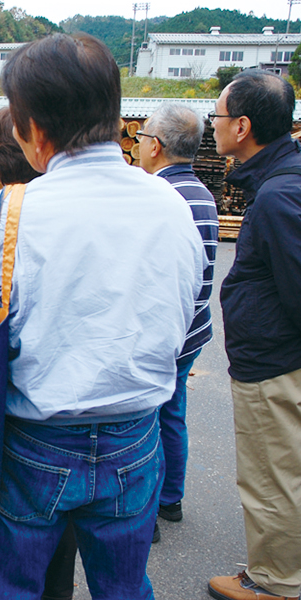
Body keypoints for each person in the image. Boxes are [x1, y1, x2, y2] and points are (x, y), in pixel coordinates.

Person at [0, 34, 205, 599]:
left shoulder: (9, 214)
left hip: (34, 443)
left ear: (35, 129)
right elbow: (185, 309)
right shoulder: (171, 204)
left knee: (12, 587)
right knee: (125, 588)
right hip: (136, 437)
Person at [207, 70, 301, 600]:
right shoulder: (282, 180)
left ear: (242, 126)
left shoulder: (278, 196)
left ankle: (275, 583)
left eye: (218, 116)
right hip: (277, 357)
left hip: (275, 364)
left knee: (272, 475)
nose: (213, 126)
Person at [0, 107, 76, 600]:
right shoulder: (108, 206)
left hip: (32, 417)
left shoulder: (0, 219)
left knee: (15, 561)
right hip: (118, 419)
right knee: (74, 554)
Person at [137, 103, 219, 543]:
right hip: (193, 331)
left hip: (168, 335)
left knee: (147, 420)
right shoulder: (202, 192)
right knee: (173, 415)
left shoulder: (161, 198)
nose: (137, 145)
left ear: (156, 145)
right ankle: (170, 499)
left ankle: (146, 512)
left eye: (140, 137)